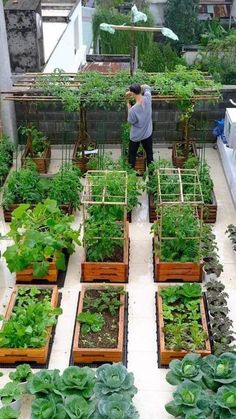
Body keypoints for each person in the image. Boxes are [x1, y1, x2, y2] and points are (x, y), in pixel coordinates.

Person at [126, 83, 153, 169]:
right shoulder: (148, 98)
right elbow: (147, 87)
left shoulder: (133, 110)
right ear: (140, 91)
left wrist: (128, 108)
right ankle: (151, 175)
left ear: (132, 93)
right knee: (149, 154)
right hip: (147, 133)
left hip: (136, 136)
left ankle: (130, 175)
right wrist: (137, 88)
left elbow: (130, 121)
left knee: (132, 155)